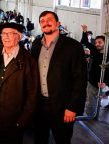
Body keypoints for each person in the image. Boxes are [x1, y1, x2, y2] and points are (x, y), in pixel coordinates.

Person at [31, 11, 87, 144]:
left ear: (58, 23)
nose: (46, 23)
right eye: (42, 21)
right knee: (39, 138)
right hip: (39, 105)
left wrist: (72, 107)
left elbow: (80, 79)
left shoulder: (73, 46)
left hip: (62, 106)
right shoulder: (36, 44)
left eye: (49, 19)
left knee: (62, 139)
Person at [0, 22, 39, 144]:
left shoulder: (28, 60)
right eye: (3, 34)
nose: (6, 37)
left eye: (10, 34)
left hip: (16, 115)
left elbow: (32, 92)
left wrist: (23, 119)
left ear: (19, 37)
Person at [81, 25, 109, 113]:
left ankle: (95, 115)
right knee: (90, 103)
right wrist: (85, 31)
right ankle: (89, 117)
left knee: (98, 102)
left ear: (105, 43)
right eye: (96, 42)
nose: (97, 44)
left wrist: (107, 84)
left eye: (100, 42)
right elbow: (85, 42)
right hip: (92, 83)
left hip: (103, 85)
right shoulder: (94, 51)